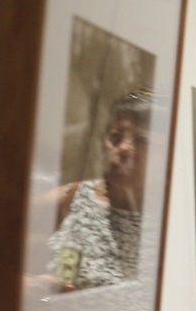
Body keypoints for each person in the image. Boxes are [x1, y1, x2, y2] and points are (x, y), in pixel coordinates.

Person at [41, 89, 151, 291]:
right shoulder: (68, 199)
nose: (124, 148)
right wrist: (35, 287)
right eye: (116, 137)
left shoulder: (173, 223)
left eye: (142, 140)